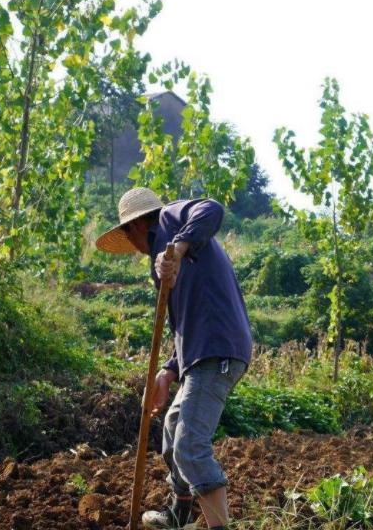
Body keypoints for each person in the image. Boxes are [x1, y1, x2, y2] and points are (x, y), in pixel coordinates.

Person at [96, 187, 252, 530]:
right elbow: (180, 324)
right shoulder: (160, 267)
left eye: (127, 235)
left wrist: (179, 249)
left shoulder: (171, 220)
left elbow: (211, 208)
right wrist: (167, 373)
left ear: (134, 227)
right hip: (198, 354)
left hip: (218, 348)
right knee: (171, 429)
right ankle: (178, 513)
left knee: (190, 446)